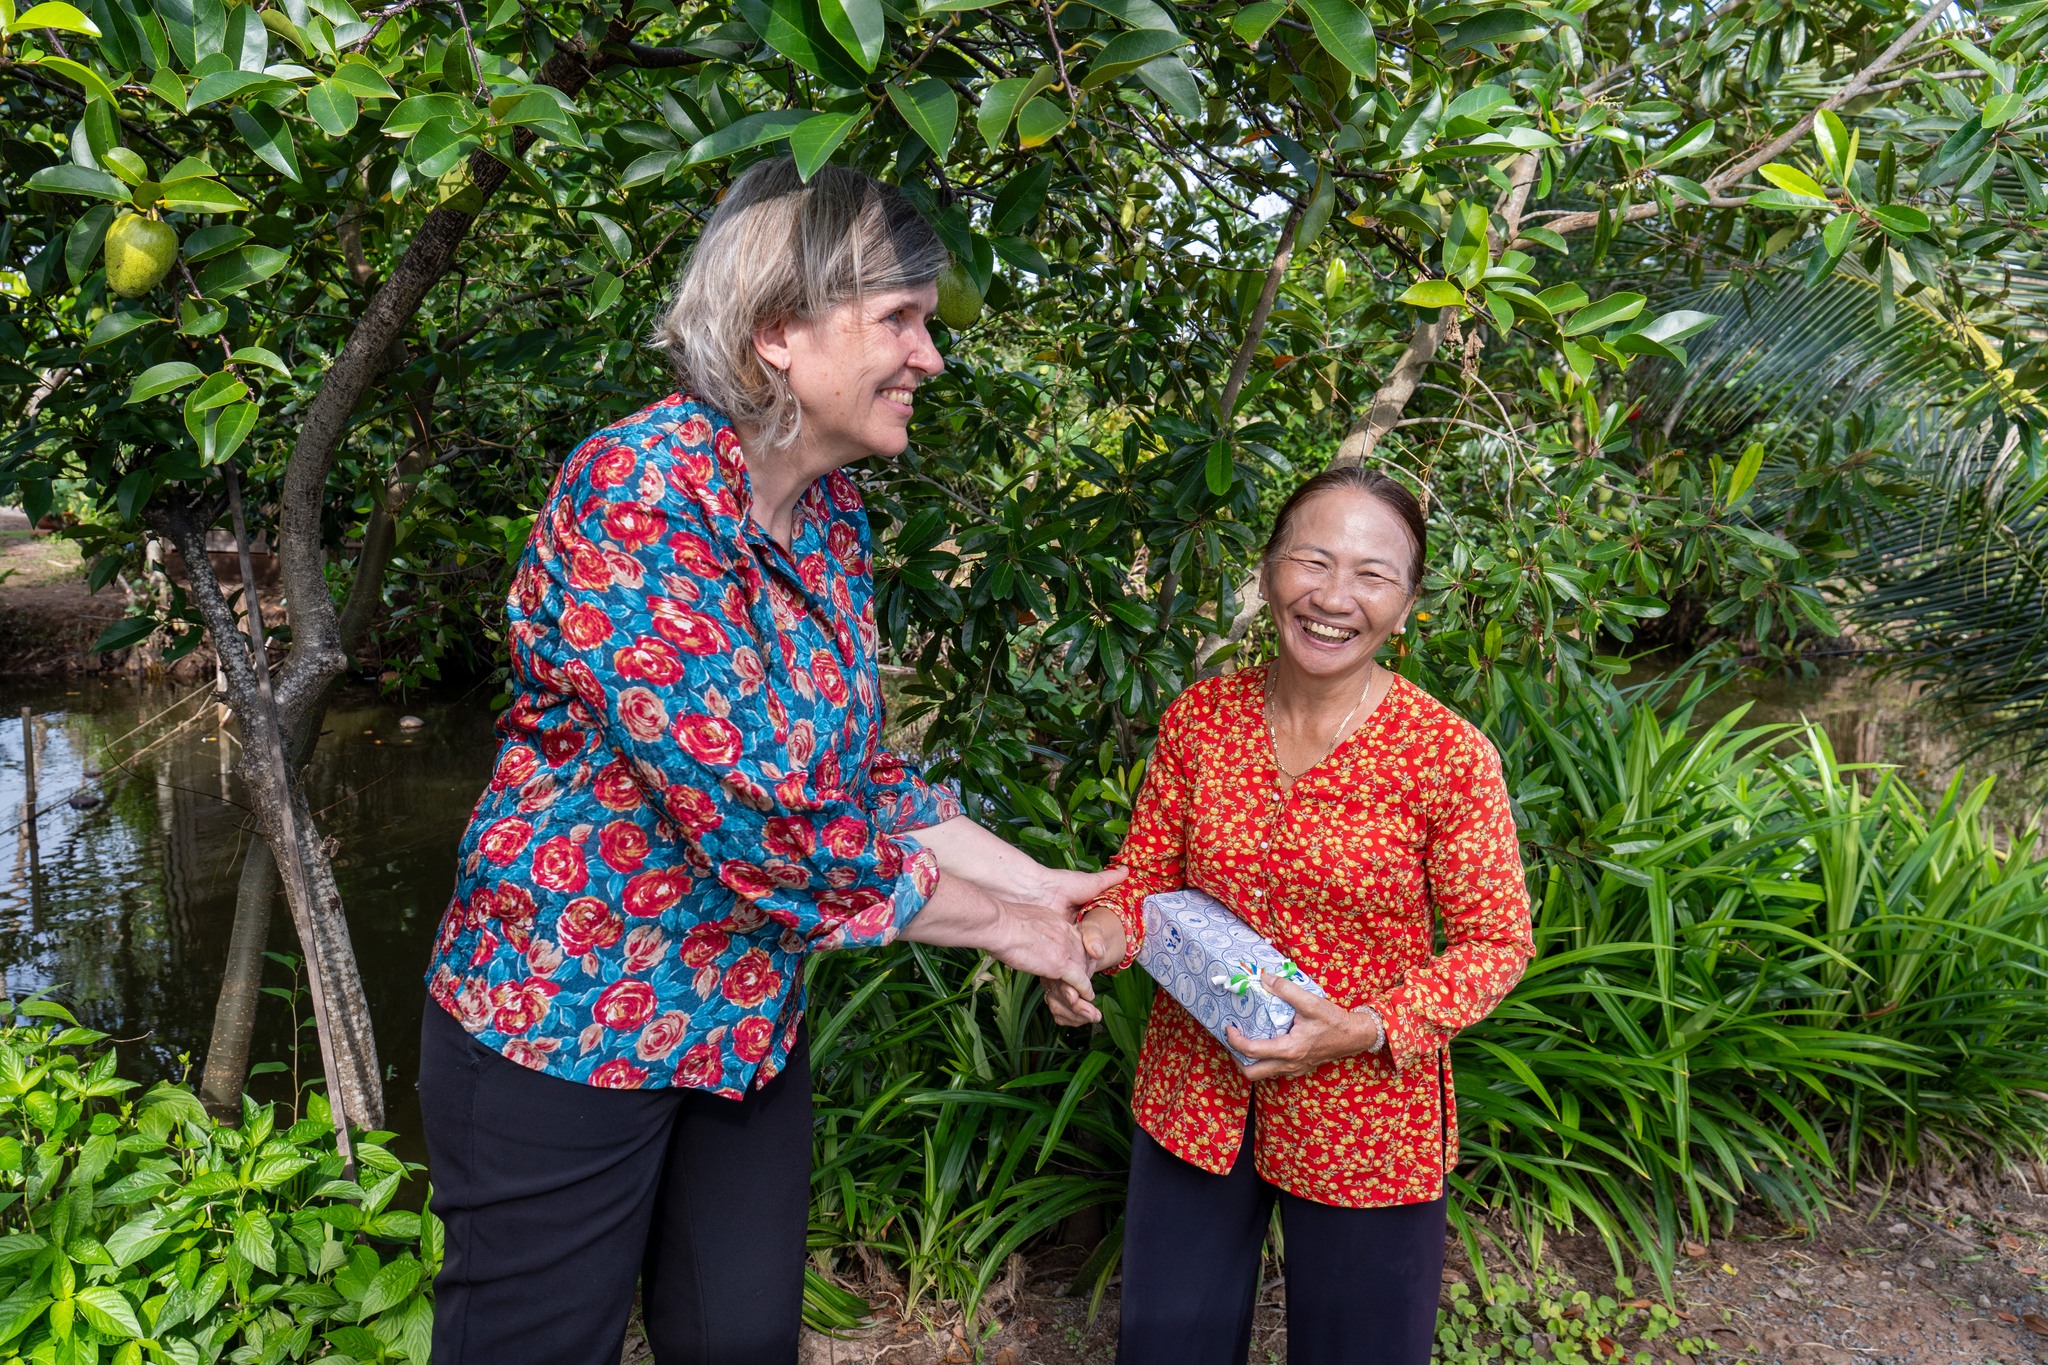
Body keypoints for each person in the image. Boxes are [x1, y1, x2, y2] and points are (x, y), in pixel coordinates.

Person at [418, 157, 1120, 1365]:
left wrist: (1040, 886)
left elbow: (851, 782)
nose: (929, 357)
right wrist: (1010, 931)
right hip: (567, 1026)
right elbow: (769, 832)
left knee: (740, 1340)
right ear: (778, 332)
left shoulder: (828, 511)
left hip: (742, 1022)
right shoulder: (639, 492)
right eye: (898, 320)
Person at [1046, 466, 1535, 1365]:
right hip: (1196, 1093)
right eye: (1312, 560)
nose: (1333, 597)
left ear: (1407, 604)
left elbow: (1496, 943)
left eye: (1372, 574)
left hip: (1365, 1115)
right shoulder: (1203, 718)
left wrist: (1365, 1027)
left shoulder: (1447, 756)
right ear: (1269, 569)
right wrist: (1088, 942)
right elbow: (1145, 881)